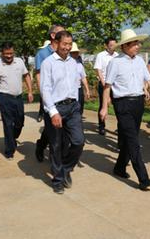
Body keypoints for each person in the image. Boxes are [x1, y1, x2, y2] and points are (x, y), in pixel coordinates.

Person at [100, 29, 150, 191]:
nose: (138, 46)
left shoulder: (139, 61)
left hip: (138, 103)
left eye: (138, 43)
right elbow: (107, 86)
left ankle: (119, 168)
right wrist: (104, 107)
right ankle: (143, 178)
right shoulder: (115, 63)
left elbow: (149, 79)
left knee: (131, 138)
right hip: (122, 104)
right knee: (134, 142)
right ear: (125, 46)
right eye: (135, 43)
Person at [40, 30, 85, 194]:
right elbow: (45, 89)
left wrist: (77, 105)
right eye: (64, 44)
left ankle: (65, 169)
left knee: (78, 141)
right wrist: (53, 112)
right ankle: (58, 179)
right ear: (57, 43)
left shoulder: (74, 63)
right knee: (56, 145)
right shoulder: (48, 63)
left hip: (72, 107)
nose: (67, 47)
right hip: (56, 107)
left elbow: (74, 85)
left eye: (69, 44)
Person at [0, 42, 34, 160]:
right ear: (2, 53)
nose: (9, 56)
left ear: (13, 52)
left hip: (18, 98)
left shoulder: (19, 62)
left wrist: (30, 91)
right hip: (5, 98)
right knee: (8, 124)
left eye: (11, 53)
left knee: (20, 122)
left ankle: (12, 138)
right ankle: (9, 150)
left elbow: (26, 76)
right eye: (6, 54)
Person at [34, 24, 64, 162]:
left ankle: (48, 148)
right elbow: (39, 75)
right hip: (49, 95)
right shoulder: (42, 54)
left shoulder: (64, 51)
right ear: (53, 35)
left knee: (58, 127)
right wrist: (43, 94)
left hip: (63, 95)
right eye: (60, 32)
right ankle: (43, 148)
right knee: (52, 128)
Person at [94, 37, 118, 135]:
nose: (113, 47)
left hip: (115, 85)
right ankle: (101, 126)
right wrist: (103, 83)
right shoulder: (101, 56)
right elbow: (98, 70)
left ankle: (120, 127)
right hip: (104, 83)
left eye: (115, 45)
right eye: (111, 45)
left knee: (118, 105)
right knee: (103, 105)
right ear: (106, 45)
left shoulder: (117, 56)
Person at [70, 42, 91, 115]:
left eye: (76, 52)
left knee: (80, 108)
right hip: (70, 90)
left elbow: (83, 77)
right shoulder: (64, 64)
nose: (75, 54)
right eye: (73, 52)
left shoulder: (79, 65)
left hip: (78, 89)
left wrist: (87, 90)